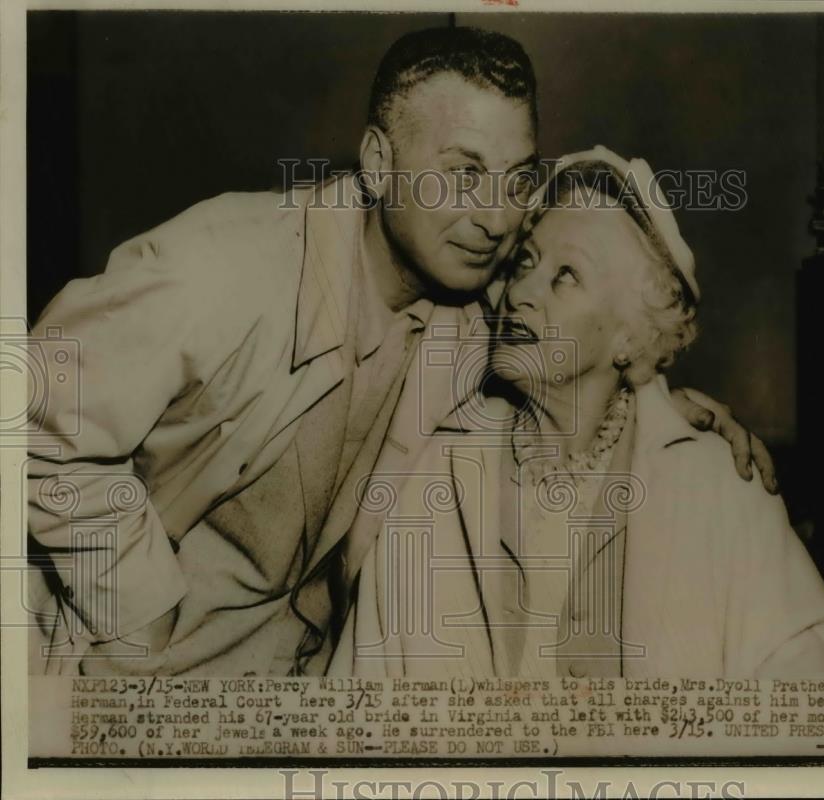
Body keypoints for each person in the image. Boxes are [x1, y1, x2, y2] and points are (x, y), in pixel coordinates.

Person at [26, 28, 773, 677]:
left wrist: (656, 399)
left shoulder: (472, 304)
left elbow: (576, 355)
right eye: (463, 172)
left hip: (279, 703)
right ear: (379, 163)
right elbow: (28, 420)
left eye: (516, 181)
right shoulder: (219, 268)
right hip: (100, 677)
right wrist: (137, 616)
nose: (494, 217)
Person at [333, 150, 824, 679]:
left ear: (629, 337)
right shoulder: (435, 473)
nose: (521, 292)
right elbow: (361, 704)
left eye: (566, 275)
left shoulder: (718, 486)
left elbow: (823, 696)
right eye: (526, 262)